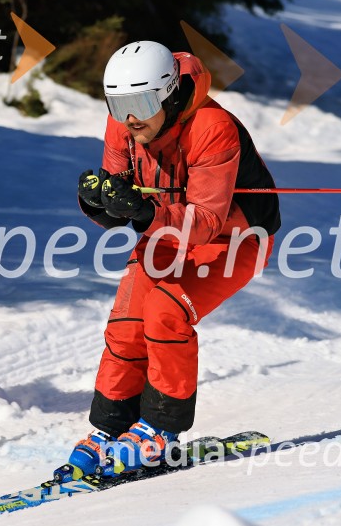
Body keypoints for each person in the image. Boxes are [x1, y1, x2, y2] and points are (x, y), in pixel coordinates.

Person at [56, 41, 281, 481]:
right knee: (125, 323)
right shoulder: (122, 127)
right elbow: (121, 198)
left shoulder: (212, 127)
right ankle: (109, 430)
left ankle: (161, 431)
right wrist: (100, 202)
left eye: (140, 103)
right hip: (166, 233)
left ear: (169, 93)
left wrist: (143, 212)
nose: (130, 117)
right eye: (118, 104)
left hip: (234, 239)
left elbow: (207, 221)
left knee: (165, 312)